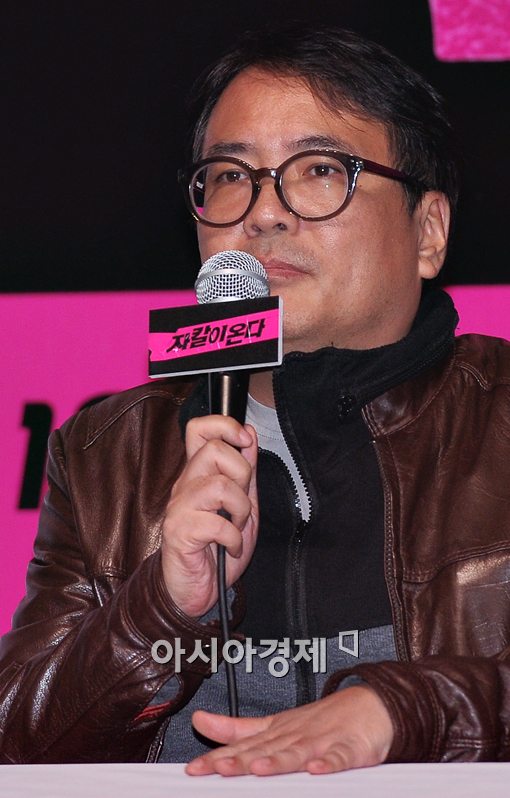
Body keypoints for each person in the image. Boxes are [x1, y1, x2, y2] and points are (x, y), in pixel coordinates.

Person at [0, 23, 509, 773]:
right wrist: (162, 609)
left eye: (319, 169)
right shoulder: (106, 453)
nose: (263, 214)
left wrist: (413, 710)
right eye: (231, 176)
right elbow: (19, 745)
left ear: (428, 231)